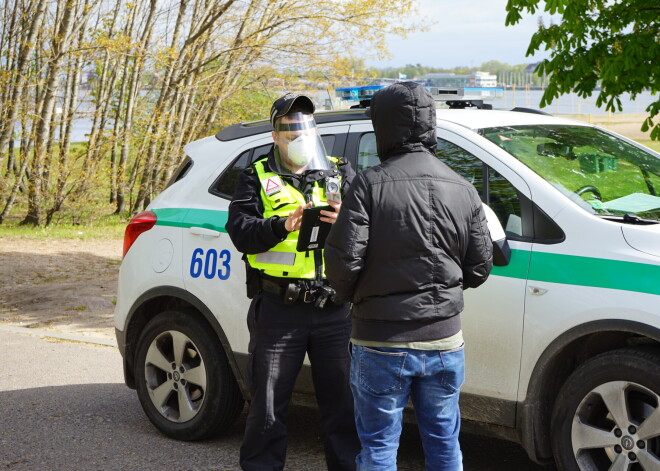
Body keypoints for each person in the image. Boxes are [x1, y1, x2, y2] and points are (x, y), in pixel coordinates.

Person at [324, 82, 493, 471]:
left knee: (380, 449)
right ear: (430, 124)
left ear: (383, 127)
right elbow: (480, 266)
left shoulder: (368, 184)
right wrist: (443, 289)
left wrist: (359, 298)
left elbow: (342, 264)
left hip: (380, 338)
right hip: (445, 339)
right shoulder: (463, 188)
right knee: (444, 444)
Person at [225, 93, 360, 471]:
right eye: (289, 130)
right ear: (274, 136)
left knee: (343, 407)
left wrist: (345, 218)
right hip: (280, 311)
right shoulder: (256, 176)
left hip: (333, 309)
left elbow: (368, 228)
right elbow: (241, 232)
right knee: (268, 407)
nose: (298, 136)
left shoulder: (338, 171)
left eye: (304, 128)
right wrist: (283, 223)